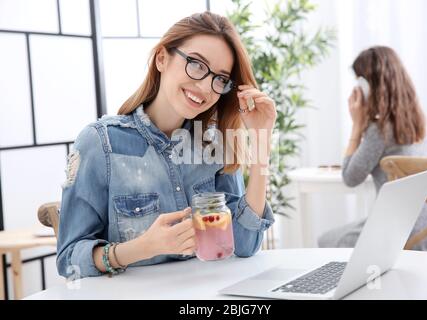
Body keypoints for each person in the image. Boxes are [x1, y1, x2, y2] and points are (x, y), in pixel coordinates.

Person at [57, 11, 277, 278]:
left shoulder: (213, 143)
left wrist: (261, 142)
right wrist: (142, 248)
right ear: (162, 58)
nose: (206, 87)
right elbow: (70, 260)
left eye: (219, 78)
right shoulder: (100, 143)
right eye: (196, 64)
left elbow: (245, 244)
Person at [318, 46, 427, 251]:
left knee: (326, 240)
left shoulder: (379, 132)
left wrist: (357, 124)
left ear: (367, 86)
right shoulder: (419, 126)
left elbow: (350, 177)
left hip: (398, 234)